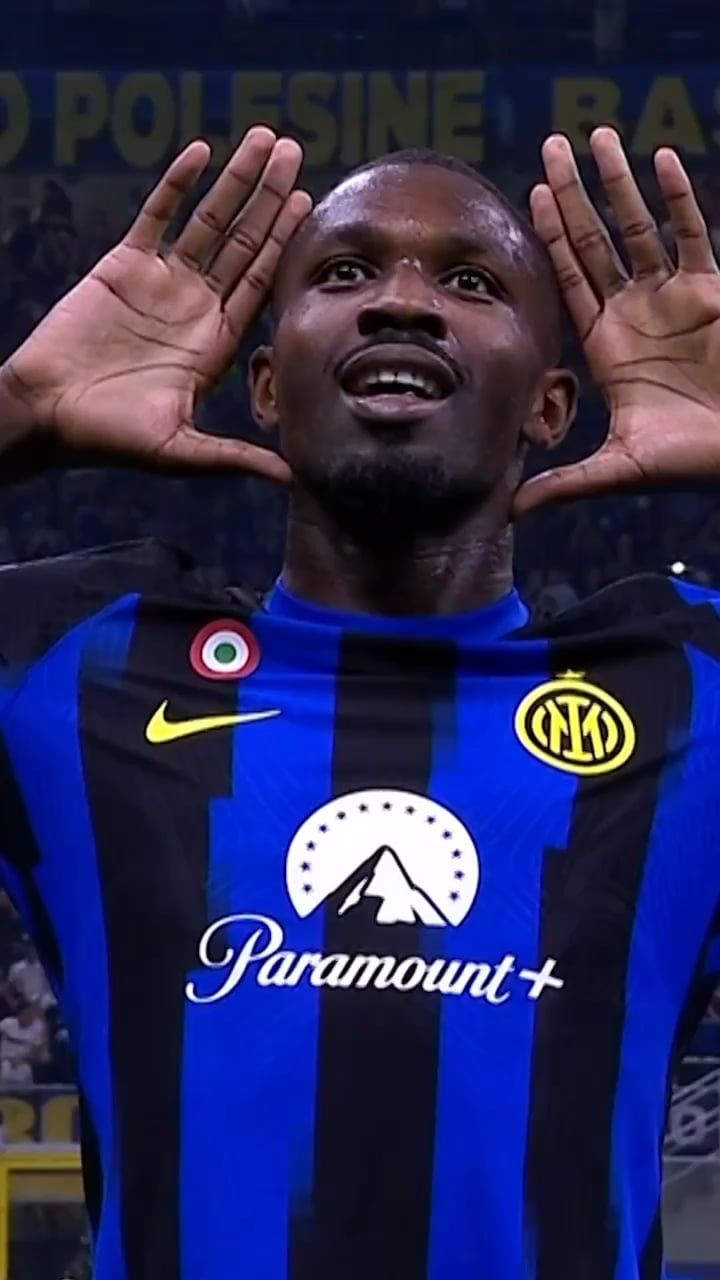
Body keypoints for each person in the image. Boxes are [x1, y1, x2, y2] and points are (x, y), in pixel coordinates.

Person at [0, 122, 718, 1279]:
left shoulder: (686, 693)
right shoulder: (78, 665)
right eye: (344, 272)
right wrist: (19, 410)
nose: (402, 301)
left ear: (550, 407)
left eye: (471, 282)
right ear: (266, 386)